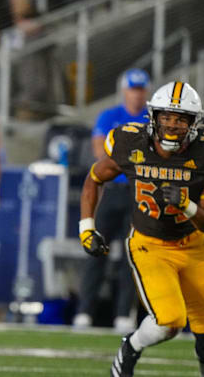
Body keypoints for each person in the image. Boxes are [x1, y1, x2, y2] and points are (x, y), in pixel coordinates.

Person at [80, 81, 204, 377]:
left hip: (194, 244)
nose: (172, 126)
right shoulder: (130, 142)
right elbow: (95, 177)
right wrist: (87, 227)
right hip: (151, 245)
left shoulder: (202, 153)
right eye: (166, 117)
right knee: (169, 322)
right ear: (154, 117)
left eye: (180, 119)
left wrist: (186, 205)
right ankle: (131, 347)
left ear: (193, 123)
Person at [73, 68, 150, 332]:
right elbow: (99, 152)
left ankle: (124, 313)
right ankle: (84, 310)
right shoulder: (110, 116)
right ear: (125, 91)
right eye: (133, 89)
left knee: (133, 253)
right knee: (95, 248)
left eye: (141, 89)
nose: (137, 95)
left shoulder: (150, 118)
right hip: (111, 189)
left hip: (140, 192)